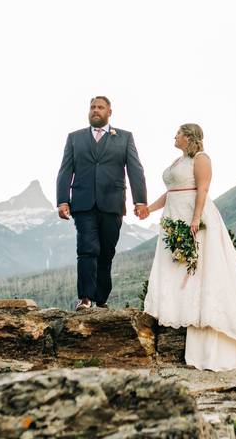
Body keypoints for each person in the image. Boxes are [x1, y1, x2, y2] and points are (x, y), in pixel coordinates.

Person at [143, 124, 236, 372]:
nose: (175, 136)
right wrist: (149, 209)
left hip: (194, 218)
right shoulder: (178, 160)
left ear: (189, 137)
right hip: (173, 218)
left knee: (201, 268)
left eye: (179, 133)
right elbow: (171, 193)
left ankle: (208, 319)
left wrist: (196, 218)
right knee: (176, 266)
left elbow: (202, 189)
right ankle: (180, 310)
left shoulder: (201, 159)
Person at [56, 96, 148, 311]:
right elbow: (65, 170)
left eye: (100, 107)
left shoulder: (124, 138)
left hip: (113, 203)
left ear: (109, 112)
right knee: (87, 249)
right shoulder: (74, 138)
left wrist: (140, 201)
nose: (95, 110)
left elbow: (135, 170)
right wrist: (62, 200)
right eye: (92, 107)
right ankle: (85, 298)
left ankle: (101, 299)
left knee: (106, 251)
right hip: (83, 203)